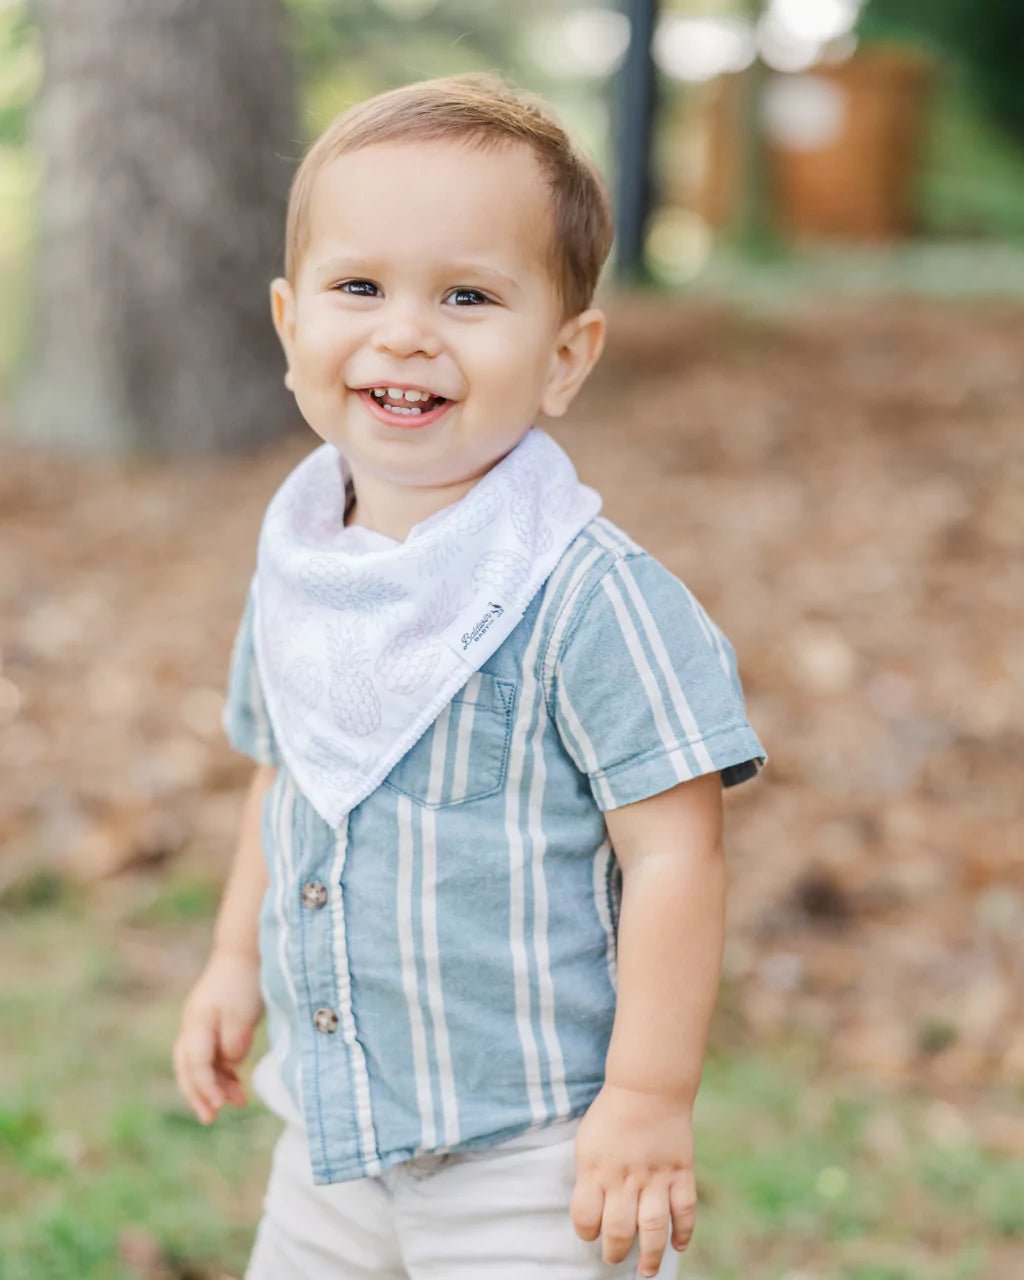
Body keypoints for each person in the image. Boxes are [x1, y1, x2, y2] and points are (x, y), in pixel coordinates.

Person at [172, 70, 767, 1280]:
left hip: (535, 1156)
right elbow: (289, 773)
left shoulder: (587, 596)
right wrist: (235, 959)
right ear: (289, 321)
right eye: (359, 285)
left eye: (466, 294)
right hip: (337, 1131)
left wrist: (648, 1096)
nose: (405, 330)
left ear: (563, 355)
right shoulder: (303, 561)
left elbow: (674, 851)